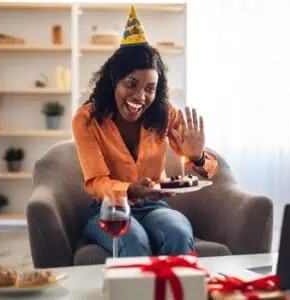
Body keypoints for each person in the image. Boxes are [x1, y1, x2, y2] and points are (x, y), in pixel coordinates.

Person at [72, 6, 218, 257]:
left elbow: (210, 168)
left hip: (154, 206)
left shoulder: (165, 113)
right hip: (109, 208)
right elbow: (95, 182)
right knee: (134, 238)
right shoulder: (87, 118)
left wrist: (198, 158)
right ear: (113, 81)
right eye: (131, 84)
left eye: (150, 88)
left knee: (178, 232)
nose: (140, 96)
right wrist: (130, 190)